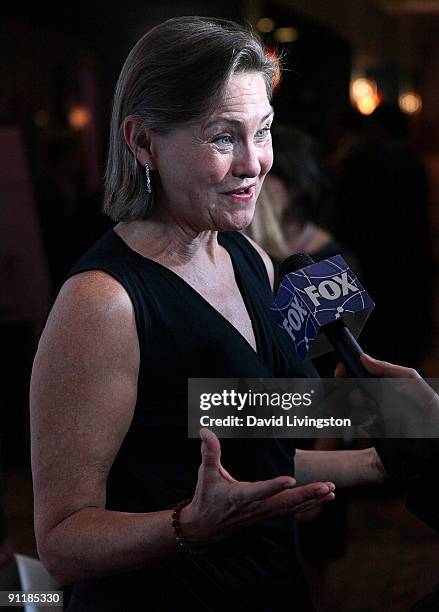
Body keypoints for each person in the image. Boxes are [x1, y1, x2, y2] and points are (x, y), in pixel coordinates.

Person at [29, 17, 390, 612]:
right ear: (143, 141)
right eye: (224, 138)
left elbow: (257, 457)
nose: (255, 164)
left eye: (264, 132)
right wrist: (187, 525)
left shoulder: (250, 259)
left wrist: (384, 457)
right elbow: (62, 543)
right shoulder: (102, 304)